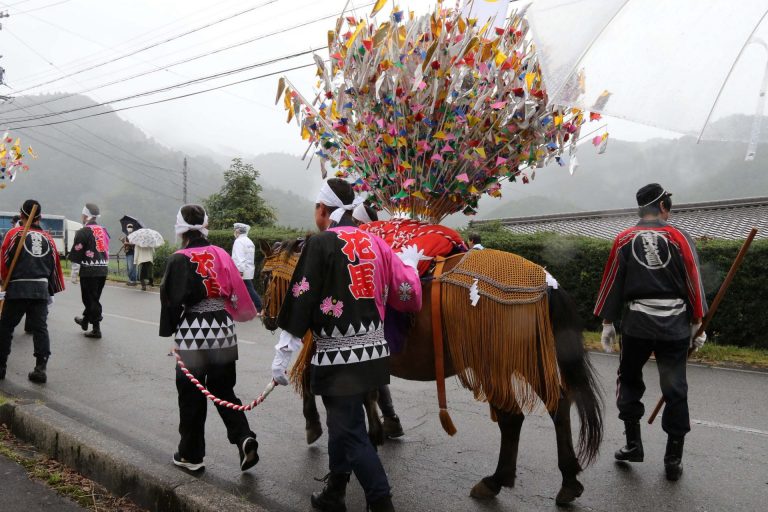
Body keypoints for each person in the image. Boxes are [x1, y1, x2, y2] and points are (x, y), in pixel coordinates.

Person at [271, 179, 423, 512]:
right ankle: (334, 492)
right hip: (375, 357)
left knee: (351, 432)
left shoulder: (321, 243)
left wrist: (283, 354)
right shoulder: (377, 244)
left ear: (322, 209)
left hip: (339, 359)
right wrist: (410, 266)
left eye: (316, 208)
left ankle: (381, 502)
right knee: (342, 424)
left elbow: (301, 297)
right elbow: (408, 297)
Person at [594, 183, 707, 482]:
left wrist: (608, 322)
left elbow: (612, 283)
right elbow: (693, 279)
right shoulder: (678, 236)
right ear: (662, 207)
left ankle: (633, 445)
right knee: (675, 388)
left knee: (628, 380)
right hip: (675, 325)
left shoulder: (623, 239)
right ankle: (673, 460)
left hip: (637, 324)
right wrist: (697, 321)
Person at [160, 204, 260, 473]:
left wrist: (172, 327)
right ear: (206, 224)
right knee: (223, 389)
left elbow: (170, 301)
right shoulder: (220, 253)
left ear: (180, 227)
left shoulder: (178, 258)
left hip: (193, 329)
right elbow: (237, 290)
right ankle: (243, 437)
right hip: (223, 329)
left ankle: (191, 456)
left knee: (191, 393)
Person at [351, 203, 404, 439]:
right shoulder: (380, 240)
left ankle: (370, 424)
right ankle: (390, 417)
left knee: (367, 365)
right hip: (377, 312)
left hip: (369, 317)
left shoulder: (363, 245)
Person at [0, 200, 65, 383]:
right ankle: (40, 368)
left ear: (21, 216)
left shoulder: (13, 234)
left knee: (5, 327)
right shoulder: (49, 239)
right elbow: (55, 267)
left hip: (18, 288)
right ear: (40, 217)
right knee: (40, 329)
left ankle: (1, 366)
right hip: (41, 289)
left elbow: (4, 260)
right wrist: (51, 290)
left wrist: (3, 282)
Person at [69, 203, 110, 339]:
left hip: (89, 270)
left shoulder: (83, 232)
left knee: (89, 299)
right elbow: (106, 250)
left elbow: (77, 252)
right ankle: (85, 321)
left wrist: (74, 273)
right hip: (102, 269)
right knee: (94, 298)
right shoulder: (103, 230)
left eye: (82, 215)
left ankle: (96, 329)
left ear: (86, 216)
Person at [231, 223, 263, 315]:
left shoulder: (239, 241)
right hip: (248, 269)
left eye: (235, 230)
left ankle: (259, 307)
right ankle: (249, 307)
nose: (234, 232)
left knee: (247, 289)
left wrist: (240, 271)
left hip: (241, 270)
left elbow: (240, 257)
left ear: (238, 231)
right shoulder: (249, 241)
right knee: (247, 289)